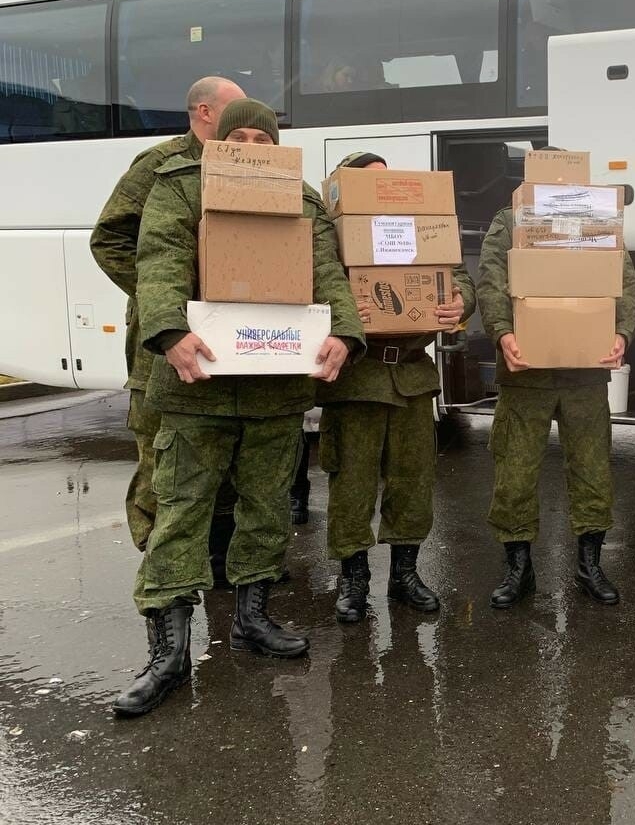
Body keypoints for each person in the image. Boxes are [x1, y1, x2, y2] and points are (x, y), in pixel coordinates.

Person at [111, 100, 365, 717]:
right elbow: (160, 261)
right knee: (181, 510)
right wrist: (170, 331)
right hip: (198, 382)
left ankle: (253, 617)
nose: (250, 145)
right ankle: (168, 652)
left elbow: (329, 274)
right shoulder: (181, 188)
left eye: (262, 137)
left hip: (274, 385)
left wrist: (346, 333)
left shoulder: (302, 200)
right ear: (217, 140)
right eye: (238, 136)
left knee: (265, 506)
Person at [91, 76, 255, 586]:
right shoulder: (160, 165)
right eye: (232, 112)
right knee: (161, 461)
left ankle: (217, 562)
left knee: (223, 458)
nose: (242, 122)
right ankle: (161, 571)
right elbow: (109, 240)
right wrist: (164, 303)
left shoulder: (248, 169)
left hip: (227, 340)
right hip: (164, 348)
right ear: (205, 112)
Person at [318, 151, 476, 623]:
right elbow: (312, 287)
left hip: (411, 374)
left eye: (387, 182)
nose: (381, 191)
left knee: (413, 481)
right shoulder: (330, 238)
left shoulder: (421, 231)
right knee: (353, 485)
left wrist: (458, 303)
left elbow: (458, 275)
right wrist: (342, 312)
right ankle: (353, 578)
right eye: (369, 184)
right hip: (358, 379)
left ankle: (405, 573)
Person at [476, 180, 635, 609]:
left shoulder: (599, 224)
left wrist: (621, 333)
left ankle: (589, 566)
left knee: (592, 472)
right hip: (526, 373)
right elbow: (491, 279)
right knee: (514, 475)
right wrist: (502, 332)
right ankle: (519, 568)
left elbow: (625, 283)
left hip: (584, 375)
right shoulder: (510, 220)